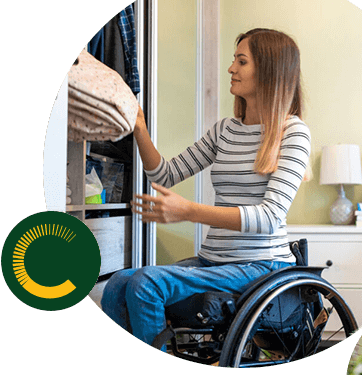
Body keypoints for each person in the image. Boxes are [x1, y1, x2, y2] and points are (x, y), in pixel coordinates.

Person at [101, 28, 311, 350]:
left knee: (145, 284)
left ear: (269, 71)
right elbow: (166, 174)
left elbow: (269, 217)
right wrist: (139, 128)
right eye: (233, 60)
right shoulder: (225, 130)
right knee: (117, 284)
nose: (231, 68)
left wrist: (188, 211)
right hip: (213, 261)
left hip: (260, 265)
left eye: (242, 61)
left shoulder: (293, 132)